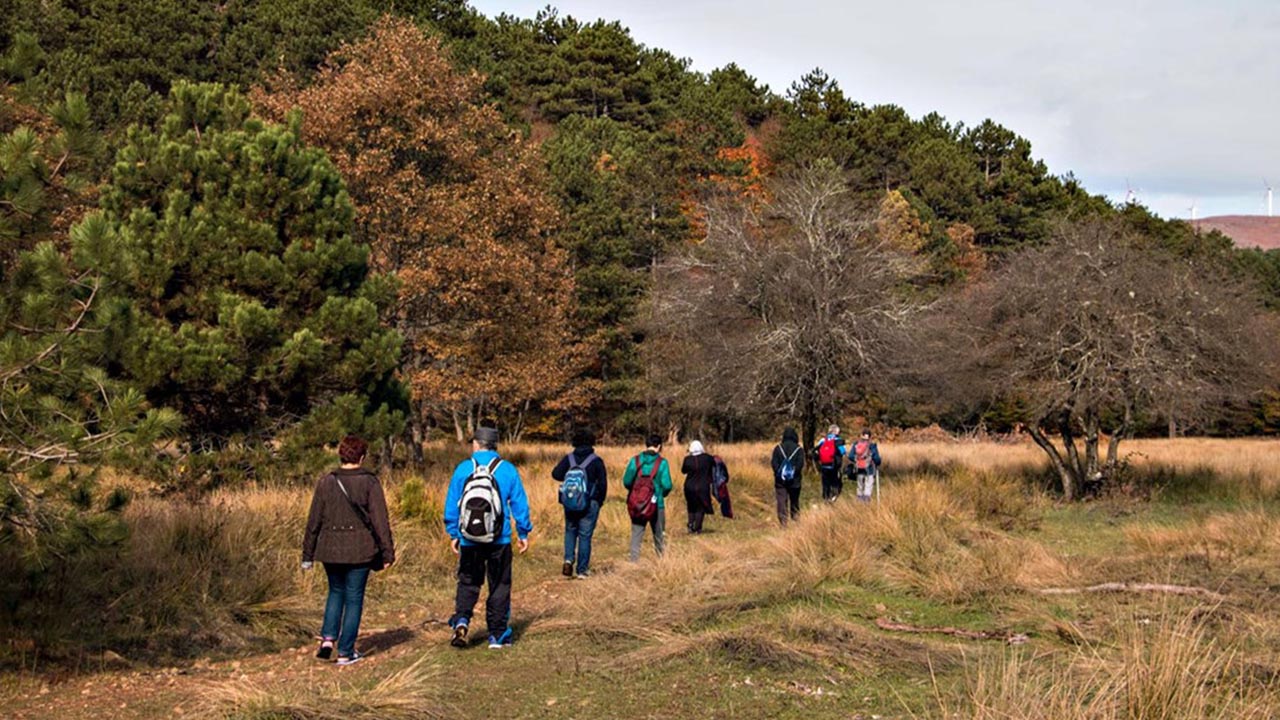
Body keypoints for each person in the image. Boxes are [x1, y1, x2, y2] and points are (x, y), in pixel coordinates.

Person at [301, 435, 395, 666]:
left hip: (330, 549)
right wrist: (387, 552)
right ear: (362, 457)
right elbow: (380, 521)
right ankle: (345, 651)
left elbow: (314, 521)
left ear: (341, 455)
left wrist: (307, 555)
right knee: (353, 598)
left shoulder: (326, 481)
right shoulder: (369, 482)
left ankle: (327, 639)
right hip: (360, 550)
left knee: (335, 592)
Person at [443, 426, 533, 650]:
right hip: (499, 539)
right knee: (499, 584)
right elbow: (520, 504)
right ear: (496, 445)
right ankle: (497, 634)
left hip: (469, 540)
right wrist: (523, 532)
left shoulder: (463, 469)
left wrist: (453, 532)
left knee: (468, 582)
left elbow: (452, 503)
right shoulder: (507, 470)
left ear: (476, 444)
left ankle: (462, 621)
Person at [550, 427, 607, 578]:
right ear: (591, 442)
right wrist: (599, 501)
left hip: (569, 501)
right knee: (585, 535)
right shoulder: (596, 461)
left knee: (570, 531)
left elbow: (555, 474)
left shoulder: (569, 459)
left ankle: (568, 560)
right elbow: (603, 485)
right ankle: (582, 570)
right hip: (590, 502)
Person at [622, 434, 673, 561]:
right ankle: (662, 563)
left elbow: (626, 481)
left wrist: (636, 492)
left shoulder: (635, 461)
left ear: (646, 444)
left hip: (637, 504)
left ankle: (633, 563)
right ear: (659, 446)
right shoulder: (662, 463)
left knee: (636, 535)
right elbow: (667, 485)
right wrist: (662, 494)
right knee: (659, 535)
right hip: (657, 504)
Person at [771, 427, 805, 526]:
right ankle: (795, 519)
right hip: (795, 481)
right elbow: (800, 464)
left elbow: (774, 463)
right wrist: (793, 473)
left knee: (781, 500)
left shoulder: (778, 448)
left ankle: (783, 522)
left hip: (780, 481)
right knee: (794, 500)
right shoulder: (799, 449)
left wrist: (779, 473)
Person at [681, 440, 716, 533]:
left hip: (689, 486)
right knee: (701, 507)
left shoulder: (687, 459)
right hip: (703, 486)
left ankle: (690, 524)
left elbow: (683, 471)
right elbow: (715, 465)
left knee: (691, 505)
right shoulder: (708, 458)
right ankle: (697, 528)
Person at [814, 424, 847, 501]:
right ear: (836, 432)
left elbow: (817, 450)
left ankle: (826, 497)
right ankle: (833, 496)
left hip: (824, 465)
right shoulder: (838, 440)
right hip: (834, 465)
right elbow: (843, 451)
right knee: (834, 480)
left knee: (825, 482)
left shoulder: (823, 440)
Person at [851, 429, 882, 503]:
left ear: (861, 435)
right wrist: (878, 462)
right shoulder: (872, 445)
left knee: (860, 487)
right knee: (868, 488)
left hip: (859, 469)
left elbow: (850, 456)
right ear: (870, 437)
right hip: (869, 469)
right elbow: (876, 458)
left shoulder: (856, 444)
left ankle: (859, 504)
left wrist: (857, 461)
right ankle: (866, 505)